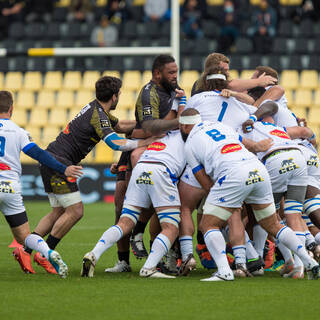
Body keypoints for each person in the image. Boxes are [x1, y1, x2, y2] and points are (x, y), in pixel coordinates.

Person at [15, 76, 158, 274]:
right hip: (60, 162)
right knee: (76, 211)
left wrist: (146, 125)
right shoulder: (98, 115)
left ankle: (26, 249)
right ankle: (45, 253)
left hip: (50, 158)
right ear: (114, 97)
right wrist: (145, 143)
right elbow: (116, 142)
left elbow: (120, 127)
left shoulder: (96, 109)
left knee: (57, 212)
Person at [179, 108, 320, 281]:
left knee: (208, 224)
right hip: (258, 169)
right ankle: (308, 261)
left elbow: (203, 180)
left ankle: (224, 271)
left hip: (232, 173)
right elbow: (250, 145)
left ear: (184, 127)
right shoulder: (220, 126)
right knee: (274, 224)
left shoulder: (190, 143)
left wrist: (228, 198)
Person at [178, 66, 277, 276]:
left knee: (186, 208)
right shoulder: (240, 103)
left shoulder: (198, 98)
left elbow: (184, 117)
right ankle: (244, 261)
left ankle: (187, 256)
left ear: (205, 81)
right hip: (231, 160)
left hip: (201, 157)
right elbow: (253, 111)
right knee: (234, 211)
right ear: (227, 82)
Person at [106, 54, 186, 273]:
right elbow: (149, 128)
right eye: (171, 72)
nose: (175, 76)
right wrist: (179, 122)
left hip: (162, 153)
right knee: (122, 206)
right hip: (140, 148)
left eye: (176, 72)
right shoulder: (149, 93)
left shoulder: (174, 89)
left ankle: (160, 254)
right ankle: (123, 261)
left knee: (160, 206)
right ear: (157, 73)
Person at [81, 129, 186, 278]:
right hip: (161, 171)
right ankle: (149, 268)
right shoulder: (188, 137)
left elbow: (135, 144)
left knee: (124, 222)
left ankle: (94, 254)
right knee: (171, 227)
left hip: (140, 168)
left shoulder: (159, 133)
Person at [0, 91, 82, 278]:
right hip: (10, 188)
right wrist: (63, 169)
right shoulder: (18, 131)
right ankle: (48, 252)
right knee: (24, 237)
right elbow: (40, 155)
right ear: (11, 109)